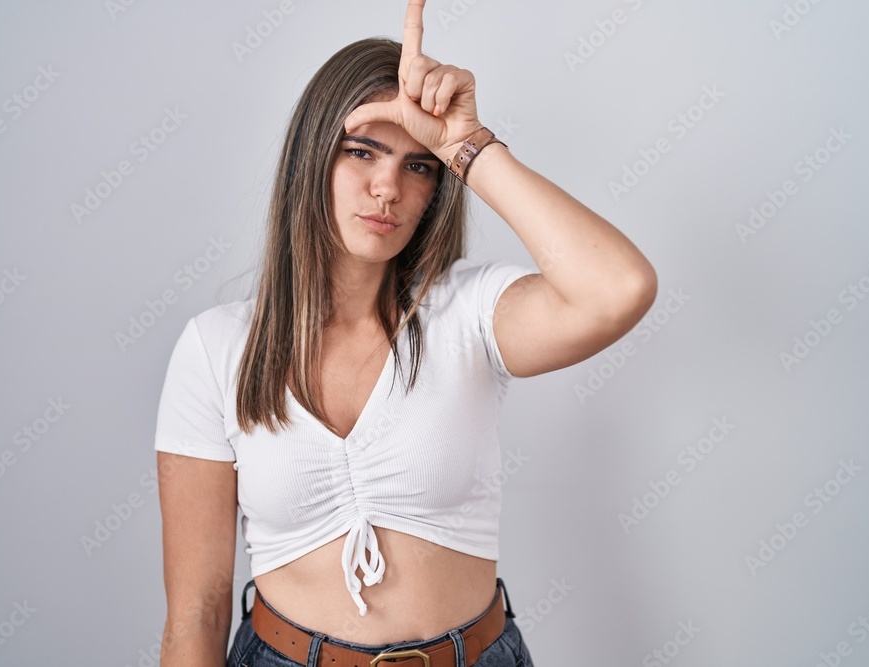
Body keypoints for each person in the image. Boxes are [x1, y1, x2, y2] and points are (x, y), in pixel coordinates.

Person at [153, 1, 657, 665]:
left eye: (418, 166)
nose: (386, 186)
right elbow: (197, 609)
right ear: (312, 157)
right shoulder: (216, 347)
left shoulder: (469, 313)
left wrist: (467, 147)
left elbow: (618, 288)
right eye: (361, 151)